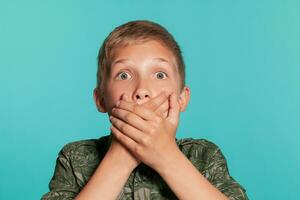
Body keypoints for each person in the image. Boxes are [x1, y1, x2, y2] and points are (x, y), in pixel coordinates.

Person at [42, 20, 249, 200]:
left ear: (181, 99)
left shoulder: (204, 156)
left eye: (159, 75)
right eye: (124, 75)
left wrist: (167, 157)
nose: (142, 90)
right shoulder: (74, 158)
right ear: (100, 100)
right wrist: (121, 156)